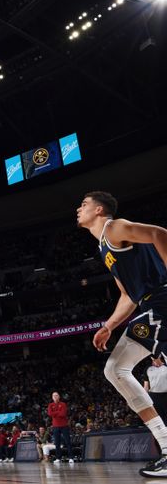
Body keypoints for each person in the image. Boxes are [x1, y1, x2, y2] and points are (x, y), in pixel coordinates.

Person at [78, 191, 167, 477]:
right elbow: (128, 296)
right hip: (148, 305)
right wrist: (108, 326)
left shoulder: (113, 227)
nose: (78, 209)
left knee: (117, 368)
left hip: (161, 301)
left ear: (99, 210)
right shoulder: (104, 248)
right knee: (116, 368)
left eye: (84, 204)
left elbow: (158, 233)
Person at [47, 392, 72, 463]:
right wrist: (58, 412)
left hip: (64, 425)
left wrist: (54, 413)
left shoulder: (63, 404)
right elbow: (49, 413)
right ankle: (58, 458)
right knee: (57, 443)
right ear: (52, 397)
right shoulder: (50, 405)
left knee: (68, 442)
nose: (55, 396)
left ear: (59, 397)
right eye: (53, 395)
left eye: (56, 395)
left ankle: (71, 458)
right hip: (55, 426)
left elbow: (63, 414)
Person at [145, 356, 167, 421]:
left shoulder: (166, 366)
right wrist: (145, 397)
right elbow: (146, 385)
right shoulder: (148, 368)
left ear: (159, 356)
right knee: (159, 418)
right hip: (154, 396)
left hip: (166, 395)